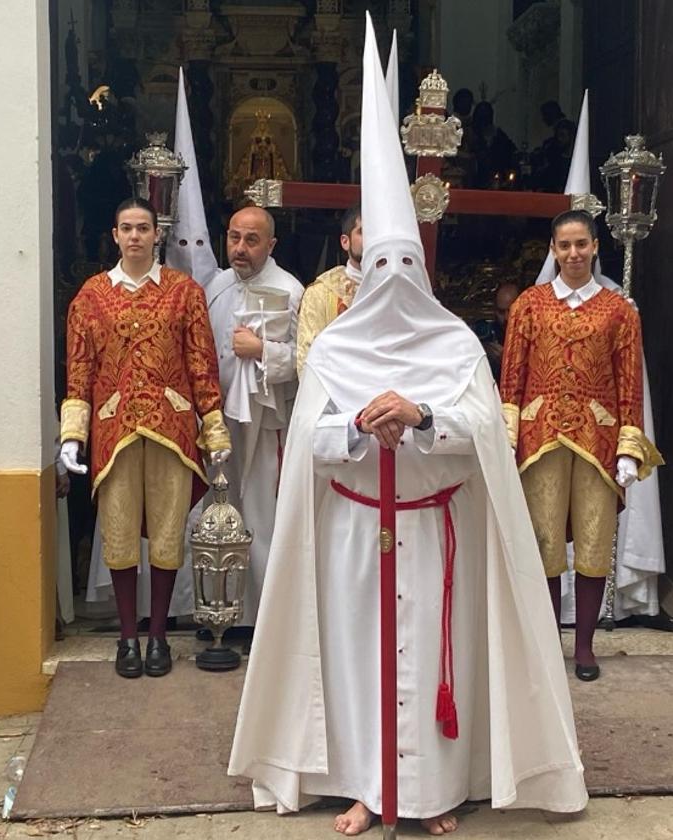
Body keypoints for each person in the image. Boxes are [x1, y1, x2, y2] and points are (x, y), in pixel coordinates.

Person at [229, 18, 587, 835]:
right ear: (362, 262)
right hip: (356, 529)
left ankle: (431, 793)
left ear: (420, 270)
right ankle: (366, 785)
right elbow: (311, 447)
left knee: (435, 659)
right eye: (377, 263)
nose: (391, 279)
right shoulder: (336, 347)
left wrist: (422, 414)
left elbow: (484, 430)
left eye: (405, 265)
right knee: (358, 661)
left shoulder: (455, 340)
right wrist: (357, 424)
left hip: (435, 531)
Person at [59, 197, 230, 679]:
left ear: (157, 234)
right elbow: (80, 369)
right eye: (126, 228)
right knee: (117, 532)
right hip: (114, 427)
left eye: (143, 228)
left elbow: (201, 362)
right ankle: (127, 637)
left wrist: (212, 425)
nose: (135, 236)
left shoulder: (184, 292)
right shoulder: (91, 296)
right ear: (114, 235)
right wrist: (72, 433)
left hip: (172, 425)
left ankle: (157, 635)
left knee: (167, 533)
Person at [500, 209, 661, 682]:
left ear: (595, 247)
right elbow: (511, 378)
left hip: (598, 436)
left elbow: (630, 384)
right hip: (539, 436)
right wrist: (507, 439)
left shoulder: (619, 311)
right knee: (544, 542)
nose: (573, 254)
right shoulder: (529, 305)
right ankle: (549, 641)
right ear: (552, 249)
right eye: (564, 245)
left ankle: (585, 646)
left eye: (581, 245)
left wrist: (629, 445)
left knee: (594, 542)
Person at [204, 206, 304, 631]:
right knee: (219, 512)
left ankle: (263, 622)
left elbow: (307, 358)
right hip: (218, 424)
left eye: (251, 240)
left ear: (271, 244)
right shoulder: (215, 286)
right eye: (234, 238)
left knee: (263, 516)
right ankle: (217, 612)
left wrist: (263, 351)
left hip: (267, 424)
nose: (240, 249)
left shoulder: (291, 290)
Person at [296, 204, 362, 378]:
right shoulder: (320, 293)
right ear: (345, 241)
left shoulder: (398, 291)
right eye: (363, 232)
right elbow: (308, 362)